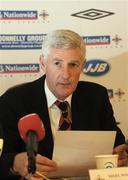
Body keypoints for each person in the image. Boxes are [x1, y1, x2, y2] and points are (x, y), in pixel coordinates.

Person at [0, 29, 127, 180]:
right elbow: (3, 158)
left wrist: (121, 156)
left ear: (83, 65)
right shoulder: (13, 101)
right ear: (43, 63)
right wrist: (15, 162)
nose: (66, 75)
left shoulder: (96, 95)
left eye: (73, 64)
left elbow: (117, 144)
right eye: (57, 64)